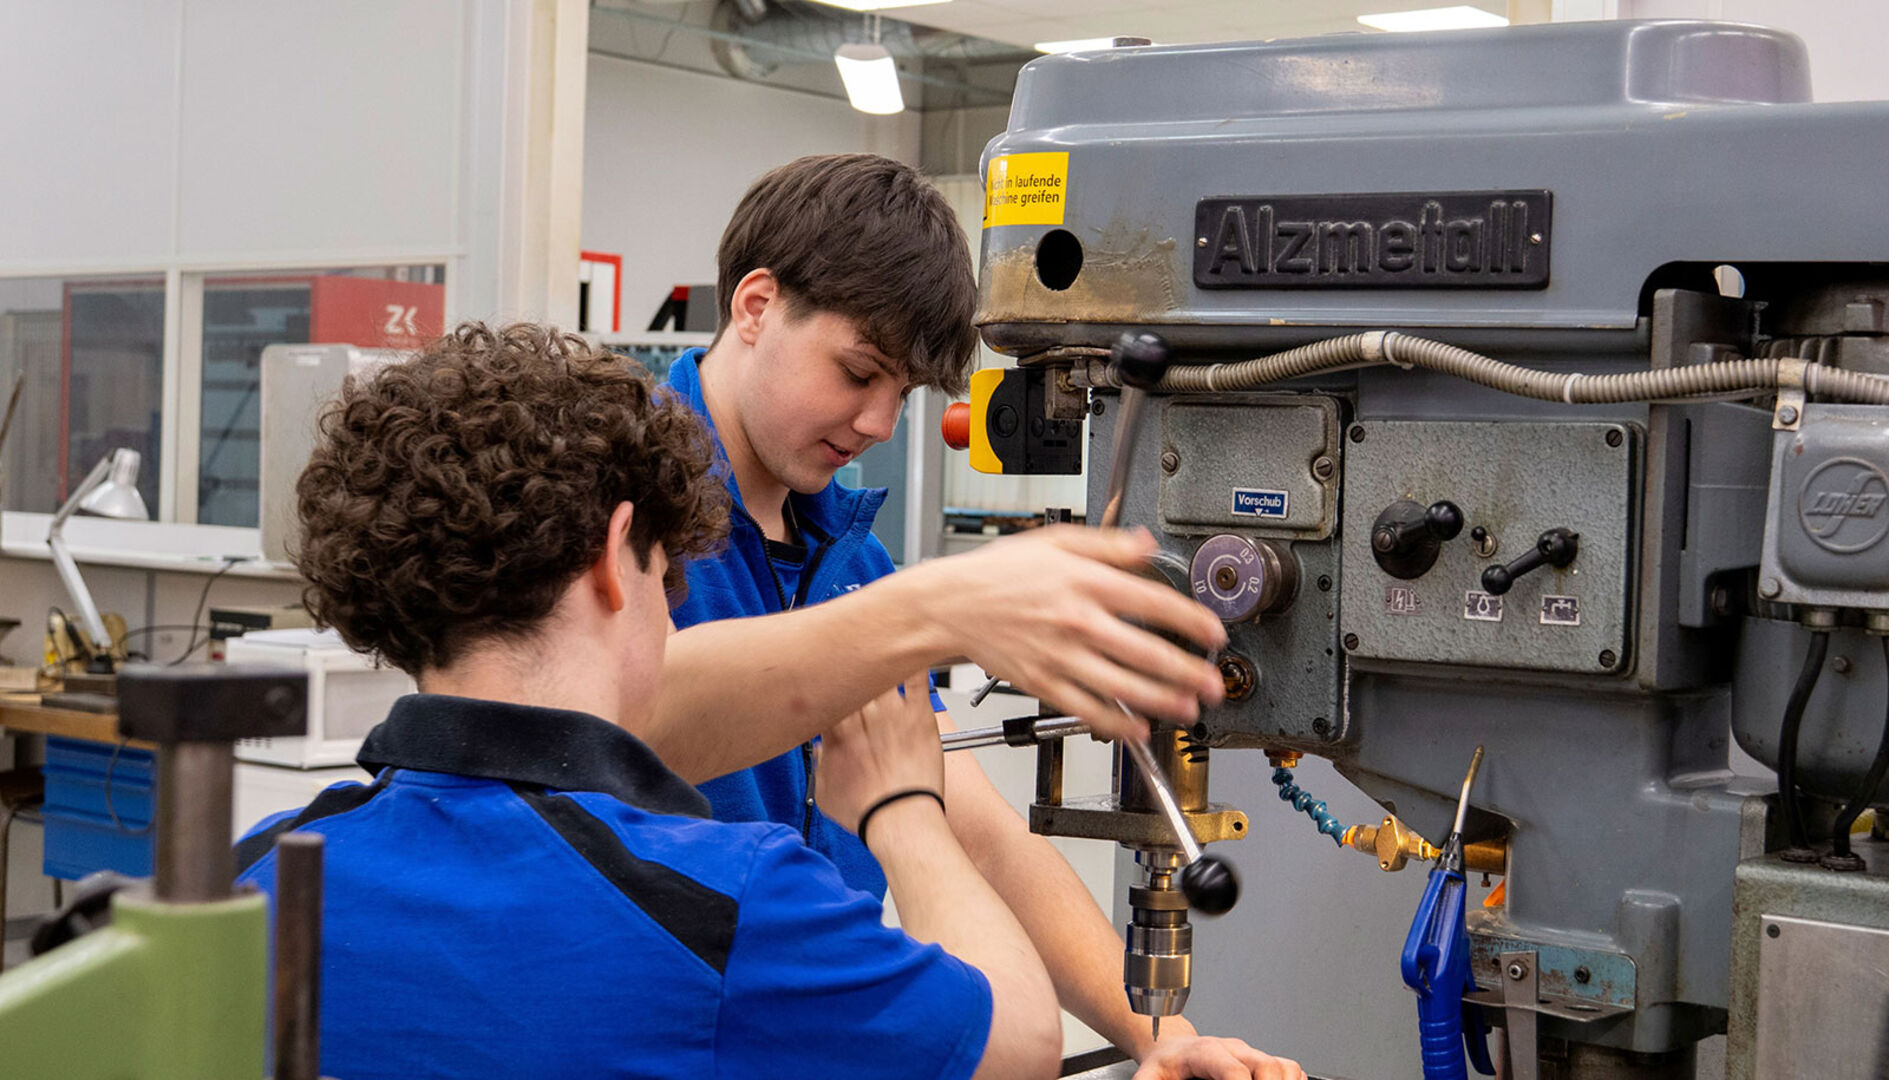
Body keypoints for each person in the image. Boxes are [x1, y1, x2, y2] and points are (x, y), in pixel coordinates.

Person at [235, 322, 1062, 1080]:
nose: (673, 612)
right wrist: (904, 811)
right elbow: (1019, 1041)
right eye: (664, 571)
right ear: (609, 557)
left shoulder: (250, 876)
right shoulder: (731, 908)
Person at [644, 154, 1305, 1080]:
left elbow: (974, 824)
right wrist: (934, 608)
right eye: (857, 372)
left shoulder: (848, 557)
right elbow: (620, 724)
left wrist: (1161, 1040)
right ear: (756, 307)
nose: (879, 422)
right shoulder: (619, 503)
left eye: (904, 393)